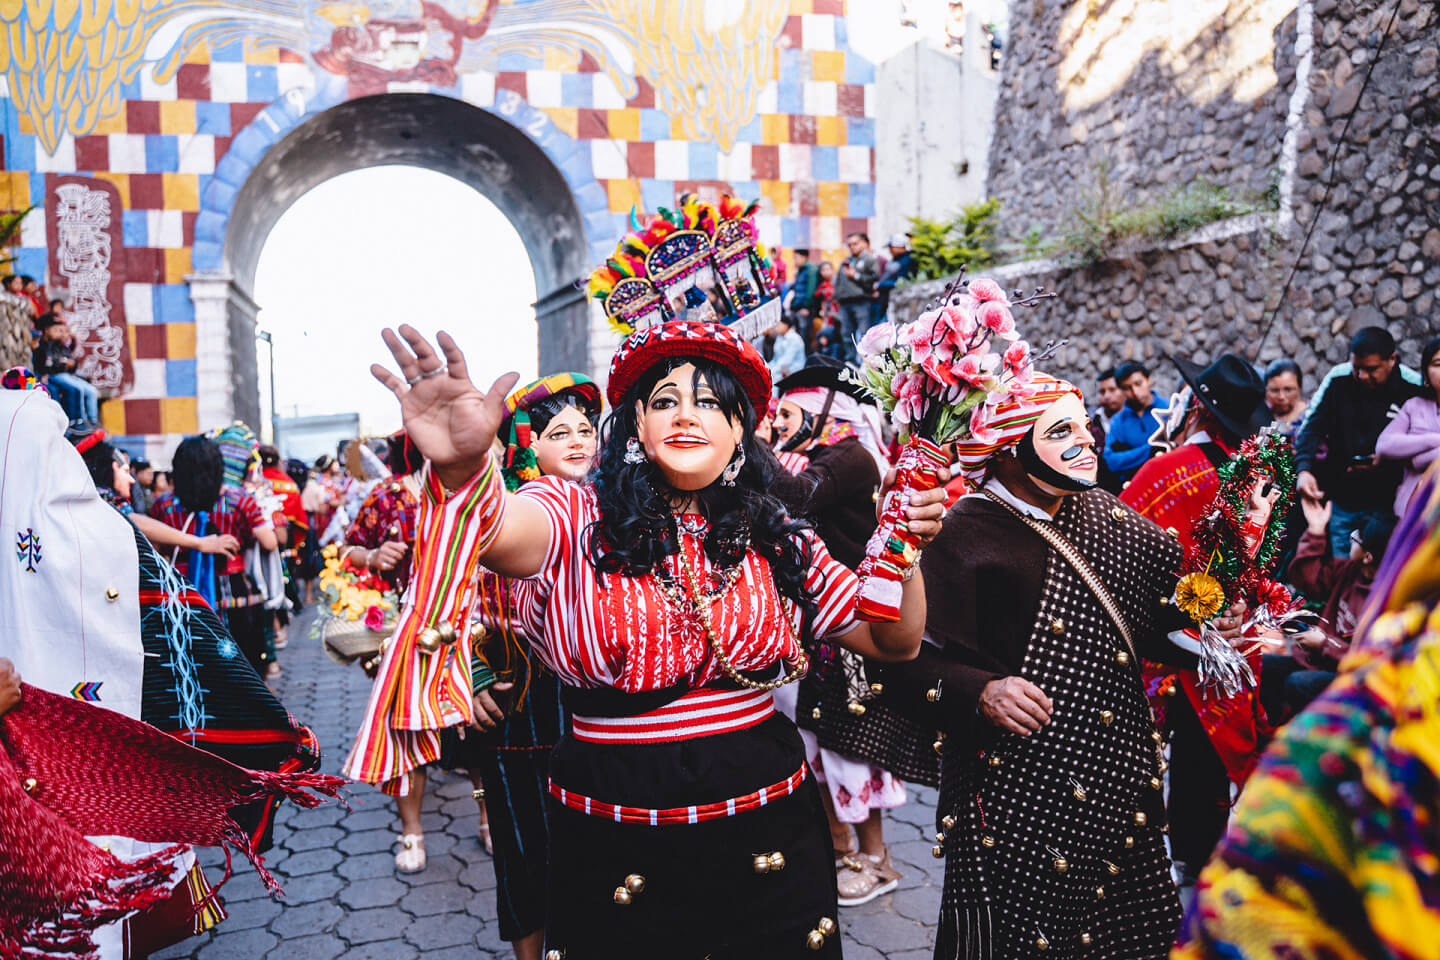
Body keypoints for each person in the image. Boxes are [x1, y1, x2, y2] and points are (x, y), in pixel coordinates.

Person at [359, 301, 946, 957]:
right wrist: (465, 471)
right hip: (616, 822)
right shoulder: (573, 512)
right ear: (635, 423)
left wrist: (907, 551)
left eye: (712, 404)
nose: (688, 415)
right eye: (665, 400)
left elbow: (893, 641)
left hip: (770, 821)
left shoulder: (777, 534)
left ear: (739, 431)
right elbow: (499, 532)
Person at [886, 373, 1243, 959]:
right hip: (1018, 797)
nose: (1087, 440)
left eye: (1083, 425)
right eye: (1061, 430)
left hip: (1121, 784)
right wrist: (982, 691)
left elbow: (1164, 620)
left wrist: (1211, 630)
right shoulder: (959, 535)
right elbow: (904, 668)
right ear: (1007, 446)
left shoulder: (1105, 512)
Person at [0, 384, 339, 958]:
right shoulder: (104, 535)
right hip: (86, 768)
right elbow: (188, 626)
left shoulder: (115, 527)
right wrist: (269, 733)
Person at [1173, 461, 1440, 959]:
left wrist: (1327, 647)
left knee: (1286, 677)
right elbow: (1308, 578)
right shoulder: (1360, 598)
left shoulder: (1379, 699)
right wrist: (1316, 533)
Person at [439, 374, 600, 960]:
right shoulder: (500, 516)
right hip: (517, 716)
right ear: (525, 444)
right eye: (560, 432)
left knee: (592, 855)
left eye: (586, 429)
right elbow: (444, 601)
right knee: (526, 856)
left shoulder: (611, 503)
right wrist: (468, 675)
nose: (580, 441)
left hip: (592, 714)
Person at [772, 358, 937, 907]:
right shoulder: (809, 457)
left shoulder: (851, 455)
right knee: (815, 745)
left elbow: (790, 501)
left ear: (823, 410)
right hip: (815, 628)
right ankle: (840, 847)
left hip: (853, 627)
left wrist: (744, 446)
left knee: (853, 749)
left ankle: (878, 858)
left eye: (787, 413)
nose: (776, 424)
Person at [1119, 354, 1271, 882]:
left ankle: (1179, 849)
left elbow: (1122, 537)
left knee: (1175, 742)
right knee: (1210, 743)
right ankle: (1213, 847)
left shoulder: (1165, 470)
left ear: (1196, 412)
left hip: (1166, 628)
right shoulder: (1257, 477)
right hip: (1231, 627)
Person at [150, 433, 279, 674]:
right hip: (236, 592)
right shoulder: (240, 500)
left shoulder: (164, 505)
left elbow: (156, 549)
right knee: (245, 667)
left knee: (195, 666)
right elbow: (270, 542)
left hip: (182, 593)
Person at [1295, 326, 1425, 557]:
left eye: (1371, 369)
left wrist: (1388, 459)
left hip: (1388, 506)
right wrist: (1303, 470)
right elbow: (1312, 428)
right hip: (1342, 502)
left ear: (1392, 360)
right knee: (1342, 576)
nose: (1363, 376)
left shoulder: (1411, 391)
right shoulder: (1339, 385)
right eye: (1357, 368)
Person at [1375, 334, 1440, 517]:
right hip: (1410, 514)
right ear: (1426, 373)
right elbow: (1384, 445)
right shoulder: (1414, 405)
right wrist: (1433, 440)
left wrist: (1416, 457)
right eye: (1438, 364)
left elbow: (1417, 461)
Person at [1102, 359, 1170, 482]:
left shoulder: (1170, 408)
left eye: (1138, 383)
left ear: (1149, 380)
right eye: (1127, 388)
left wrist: (1131, 456)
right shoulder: (1118, 421)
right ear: (1121, 390)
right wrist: (1150, 450)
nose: (1135, 392)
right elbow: (1111, 461)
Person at [32, 313, 99, 425]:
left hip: (66, 375)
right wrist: (65, 363)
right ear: (47, 330)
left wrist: (71, 364)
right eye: (58, 330)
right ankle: (78, 422)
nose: (62, 334)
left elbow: (73, 362)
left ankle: (93, 422)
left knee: (92, 391)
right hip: (54, 376)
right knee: (77, 389)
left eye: (63, 331)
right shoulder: (43, 345)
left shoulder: (60, 345)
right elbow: (49, 364)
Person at [833, 233, 879, 361]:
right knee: (847, 334)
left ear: (863, 243)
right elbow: (839, 282)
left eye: (855, 243)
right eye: (850, 245)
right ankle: (851, 361)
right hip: (845, 302)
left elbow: (874, 279)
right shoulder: (846, 261)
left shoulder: (869, 260)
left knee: (865, 333)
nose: (852, 247)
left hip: (862, 301)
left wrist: (856, 276)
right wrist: (836, 296)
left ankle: (868, 362)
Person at [1092, 367, 1127, 494]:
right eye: (1102, 391)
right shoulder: (1091, 423)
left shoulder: (1133, 420)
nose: (1107, 396)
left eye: (1112, 390)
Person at [874, 233, 915, 326]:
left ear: (899, 247)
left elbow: (902, 283)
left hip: (894, 303)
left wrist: (879, 286)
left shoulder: (907, 260)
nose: (890, 251)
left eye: (891, 247)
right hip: (884, 301)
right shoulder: (896, 260)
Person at [1261, 359, 1306, 440]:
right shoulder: (1259, 413)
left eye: (1288, 390)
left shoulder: (1311, 418)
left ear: (1299, 389)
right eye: (1275, 390)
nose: (1281, 397)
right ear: (1266, 390)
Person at [788, 248, 821, 346]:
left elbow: (811, 289)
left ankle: (806, 358)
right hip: (798, 307)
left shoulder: (811, 269)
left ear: (804, 257)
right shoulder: (801, 270)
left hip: (805, 308)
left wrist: (806, 307)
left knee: (804, 335)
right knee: (799, 334)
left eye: (796, 258)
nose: (794, 261)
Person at [767, 314, 806, 382]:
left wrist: (772, 371)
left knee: (772, 378)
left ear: (786, 325)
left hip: (794, 369)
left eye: (778, 325)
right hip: (781, 368)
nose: (776, 328)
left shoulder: (794, 339)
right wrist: (767, 368)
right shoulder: (780, 337)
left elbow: (787, 360)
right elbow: (776, 359)